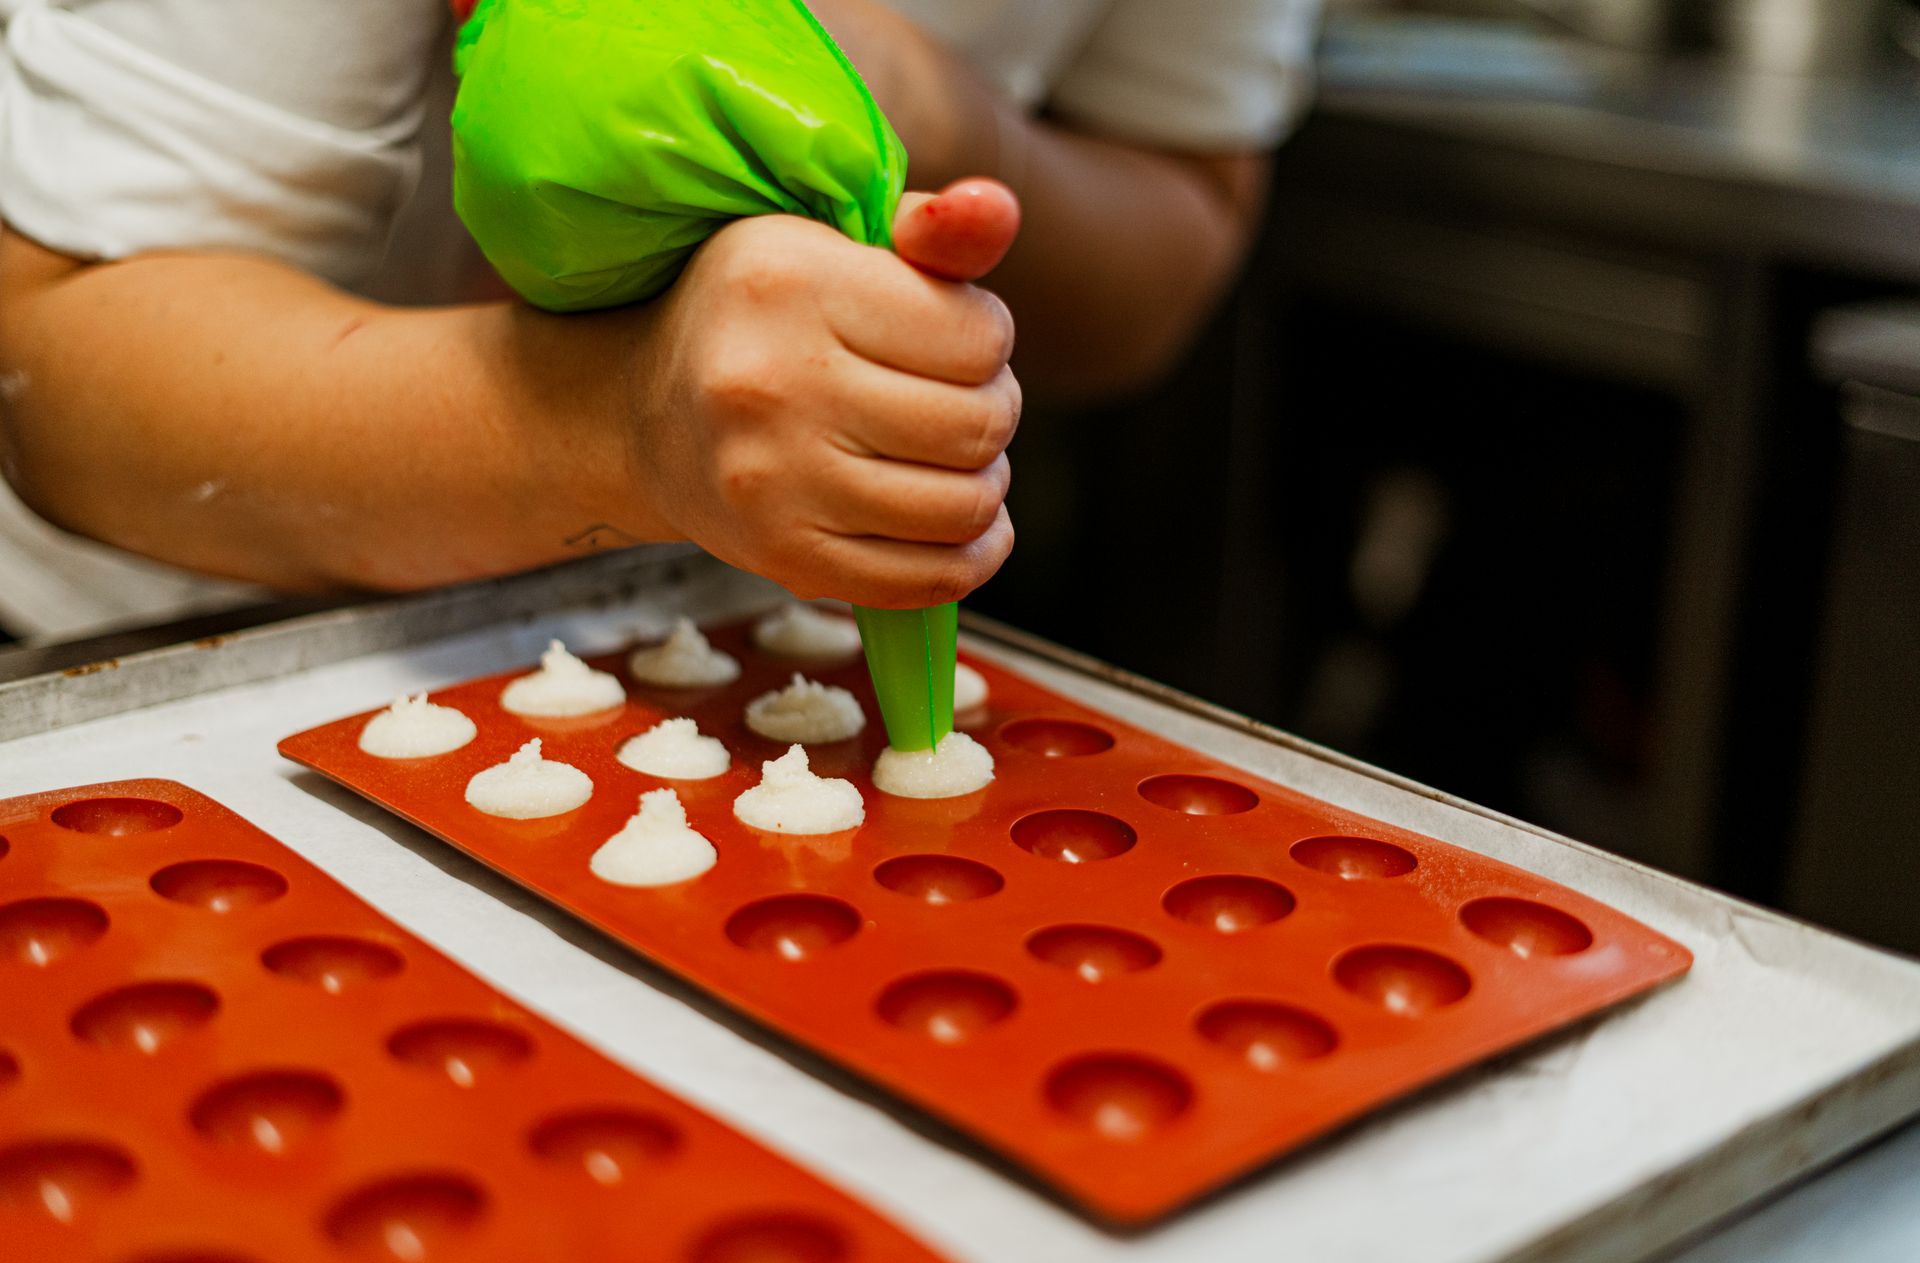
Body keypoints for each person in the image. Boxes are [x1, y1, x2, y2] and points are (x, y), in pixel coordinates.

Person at [0, 0, 1318, 642]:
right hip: (173, 633)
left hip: (739, 642)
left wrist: (931, 103)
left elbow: (1180, 205)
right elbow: (60, 358)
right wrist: (620, 429)